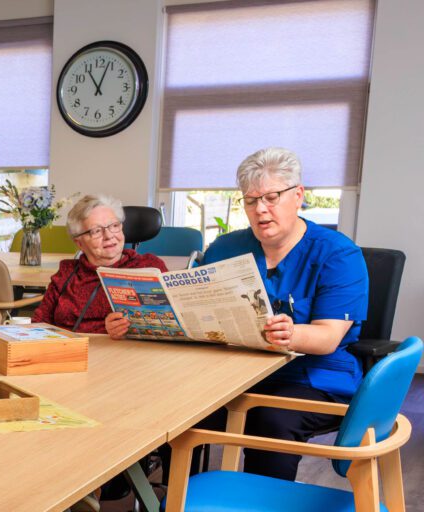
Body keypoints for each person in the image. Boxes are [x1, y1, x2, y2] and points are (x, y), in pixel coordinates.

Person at [186, 147, 369, 481]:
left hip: (310, 376)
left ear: (298, 195)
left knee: (269, 419)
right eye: (251, 200)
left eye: (271, 197)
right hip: (235, 371)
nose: (261, 209)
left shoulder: (338, 254)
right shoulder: (226, 248)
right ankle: (175, 496)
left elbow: (328, 337)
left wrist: (292, 334)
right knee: (177, 411)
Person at [32, 194, 167, 336]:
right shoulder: (67, 272)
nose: (109, 235)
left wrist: (117, 332)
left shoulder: (150, 266)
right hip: (69, 351)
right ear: (79, 243)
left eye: (114, 225)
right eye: (96, 231)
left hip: (129, 354)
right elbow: (39, 322)